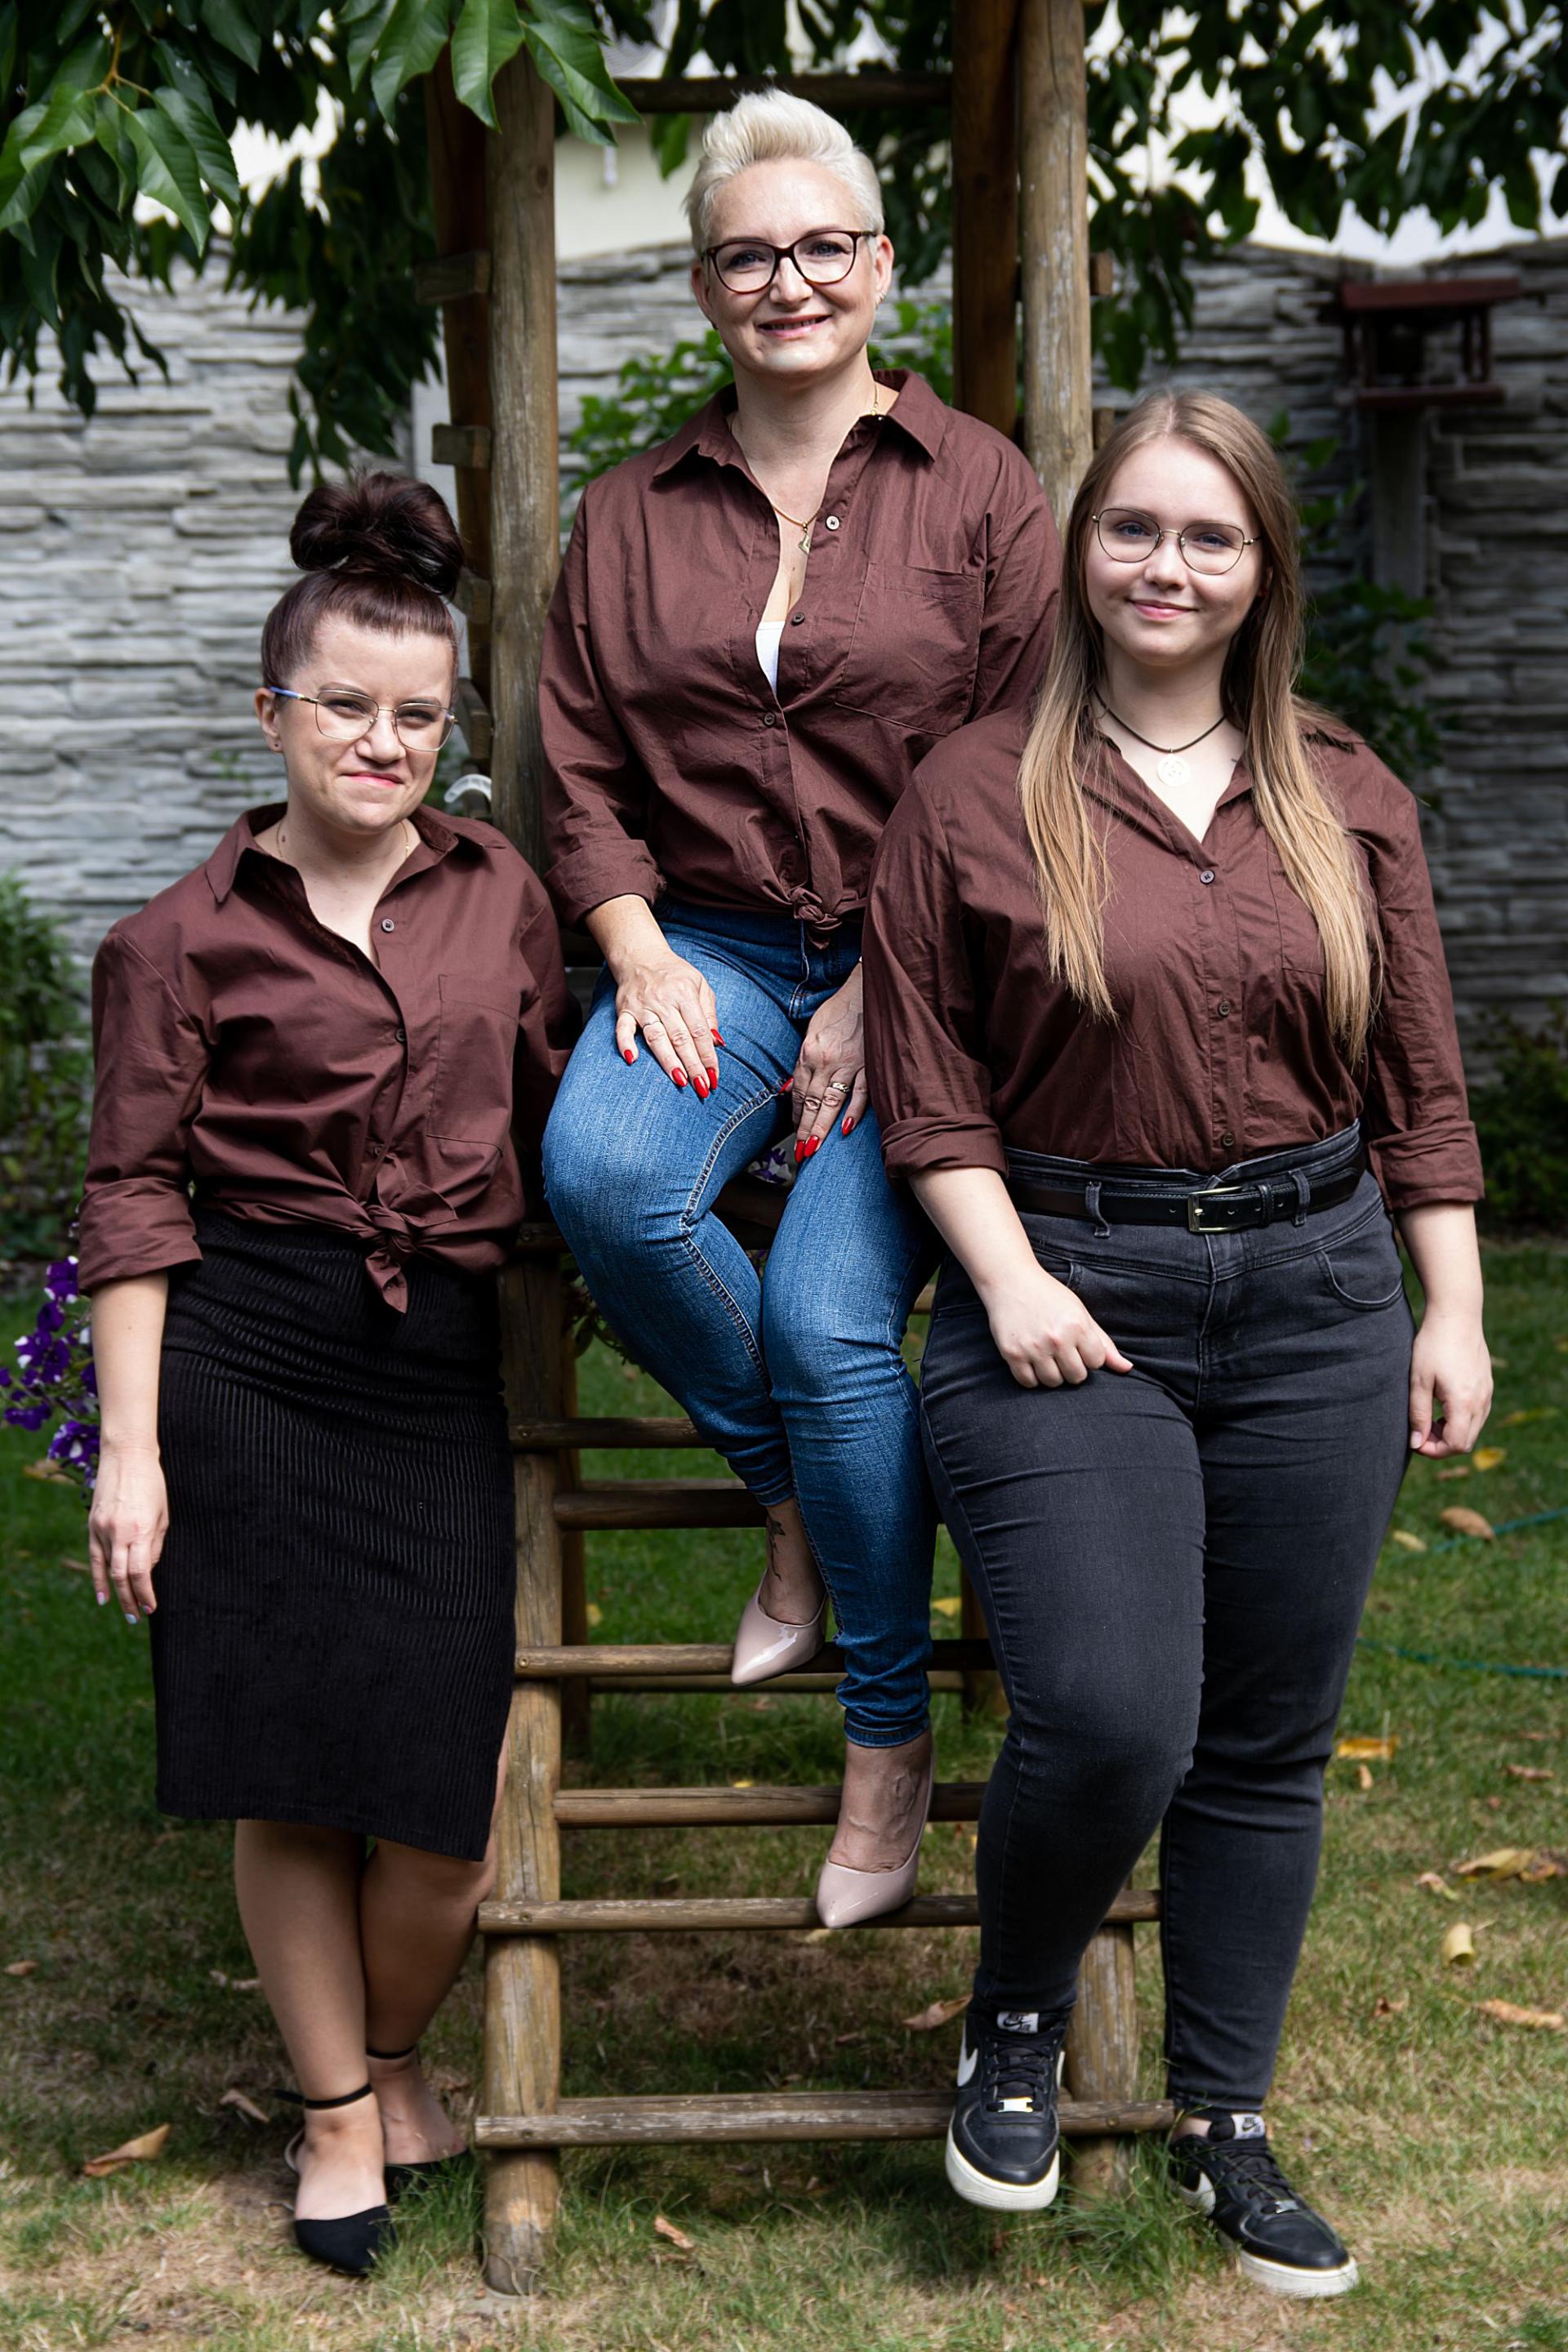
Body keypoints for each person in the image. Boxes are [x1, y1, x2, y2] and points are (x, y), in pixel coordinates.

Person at [863, 390, 1489, 2296]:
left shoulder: (1346, 791)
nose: (1167, 566)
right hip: (1069, 1293)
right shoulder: (974, 792)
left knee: (1267, 1741)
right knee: (1117, 1710)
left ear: (1262, 570)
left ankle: (1225, 2122)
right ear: (1081, 555)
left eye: (1210, 536)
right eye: (1133, 528)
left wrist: (1452, 1305)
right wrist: (1006, 1282)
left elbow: (1418, 1084)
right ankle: (1017, 2017)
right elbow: (929, 1088)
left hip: (1317, 1302)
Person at [539, 90, 1062, 1927]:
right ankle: (793, 1511)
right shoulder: (627, 514)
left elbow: (1020, 763)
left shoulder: (982, 489)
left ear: (880, 264)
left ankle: (883, 1733)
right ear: (704, 286)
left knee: (836, 1318)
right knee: (607, 1176)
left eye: (822, 246)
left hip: (929, 968)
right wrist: (635, 949)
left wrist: (879, 993)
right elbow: (577, 764)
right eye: (748, 254)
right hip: (709, 947)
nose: (789, 281)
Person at [77, 474, 575, 2277]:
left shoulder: (502, 895)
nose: (383, 742)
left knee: (445, 1811)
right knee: (285, 1772)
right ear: (272, 710)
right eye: (346, 706)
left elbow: (567, 1105)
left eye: (418, 716)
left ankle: (384, 2051)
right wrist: (133, 1450)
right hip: (250, 1358)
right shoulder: (174, 939)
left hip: (431, 1365)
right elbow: (133, 1197)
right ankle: (342, 2113)